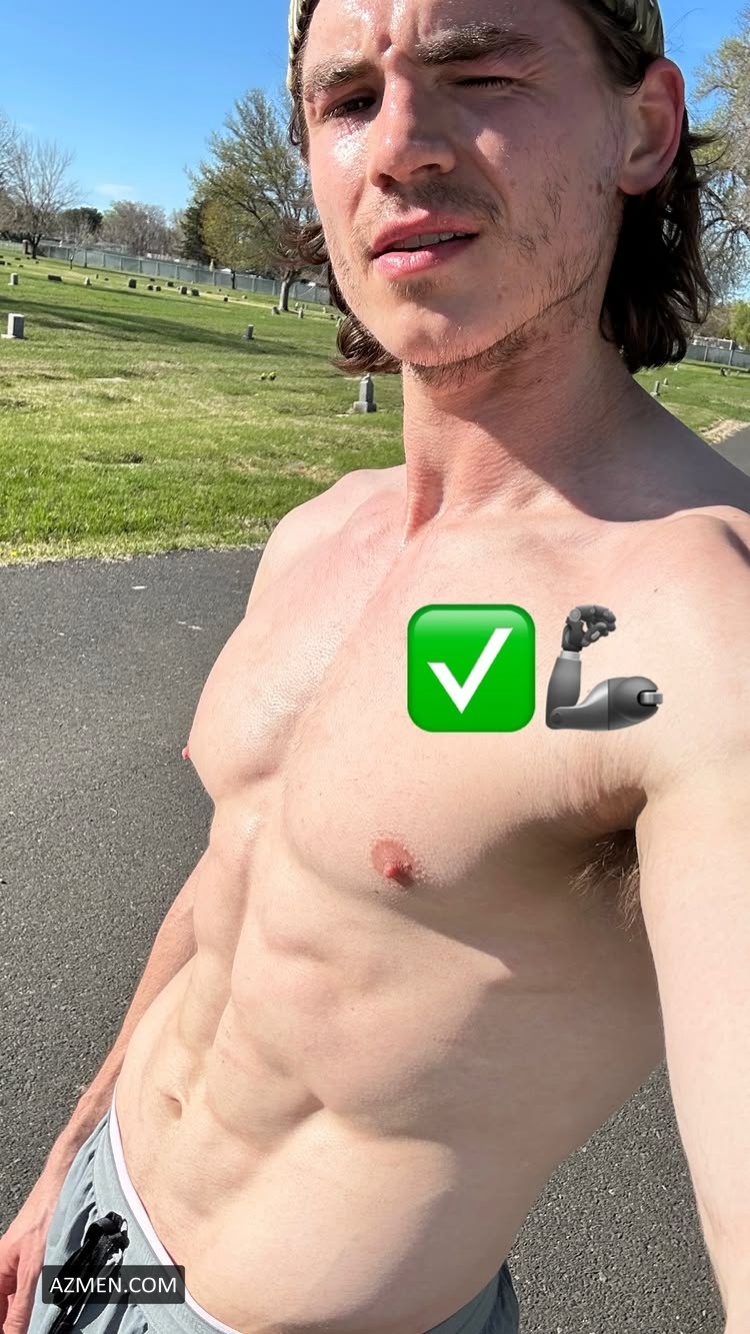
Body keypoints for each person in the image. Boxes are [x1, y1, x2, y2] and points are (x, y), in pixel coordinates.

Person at [4, 1, 750, 1332]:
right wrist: (67, 1161)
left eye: (481, 70)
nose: (399, 144)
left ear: (641, 130)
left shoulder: (701, 622)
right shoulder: (319, 531)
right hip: (102, 1226)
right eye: (348, 100)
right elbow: (237, 874)